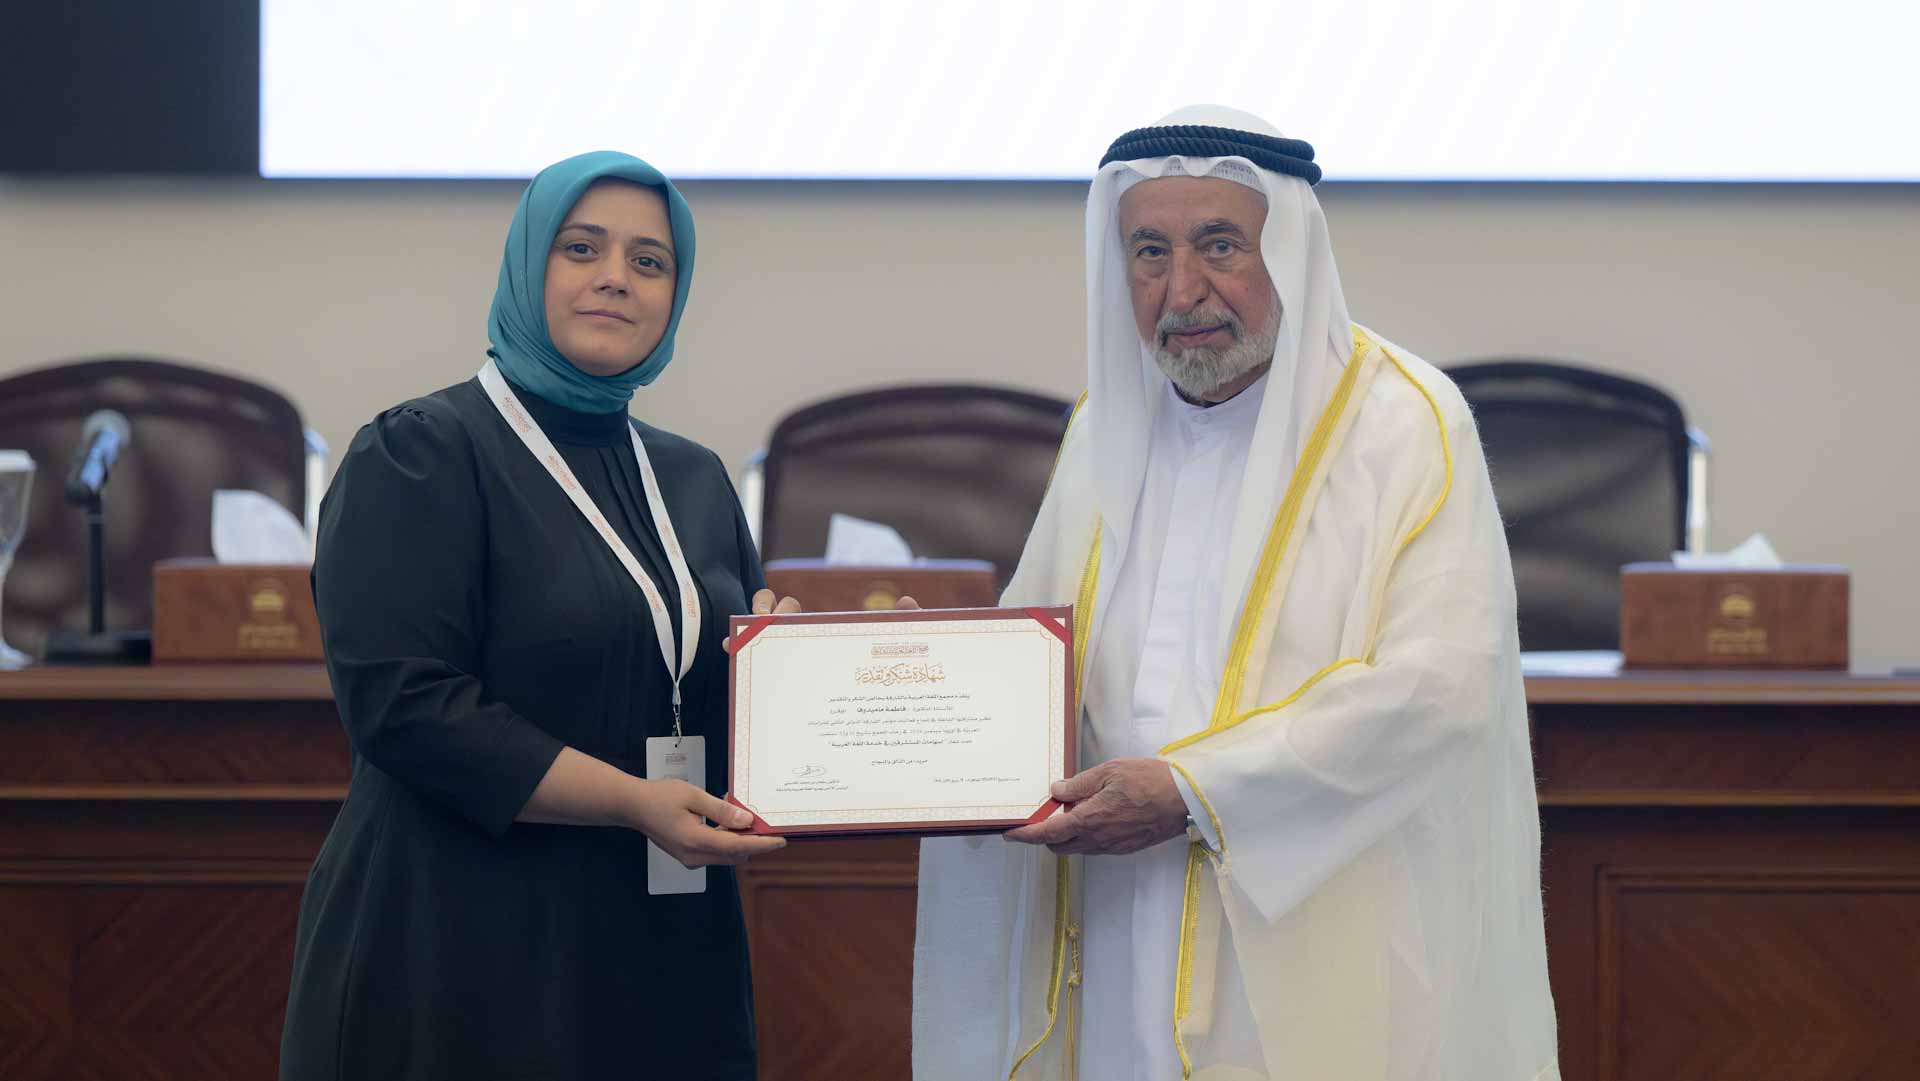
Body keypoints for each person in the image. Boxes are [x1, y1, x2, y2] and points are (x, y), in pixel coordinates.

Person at [913, 107, 1560, 1080]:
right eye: (1149, 252)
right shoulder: (1102, 428)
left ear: (1289, 251)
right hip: (1111, 922)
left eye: (1220, 245)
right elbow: (1038, 656)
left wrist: (1194, 790)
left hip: (1311, 942)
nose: (1183, 289)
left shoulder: (1403, 424)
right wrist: (922, 684)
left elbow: (1440, 688)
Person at [280, 151, 790, 1081]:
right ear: (526, 266)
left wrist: (805, 670)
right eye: (581, 248)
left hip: (661, 944)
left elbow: (707, 694)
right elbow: (403, 705)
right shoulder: (420, 453)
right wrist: (632, 801)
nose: (615, 277)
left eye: (649, 261)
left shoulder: (694, 477)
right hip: (459, 942)